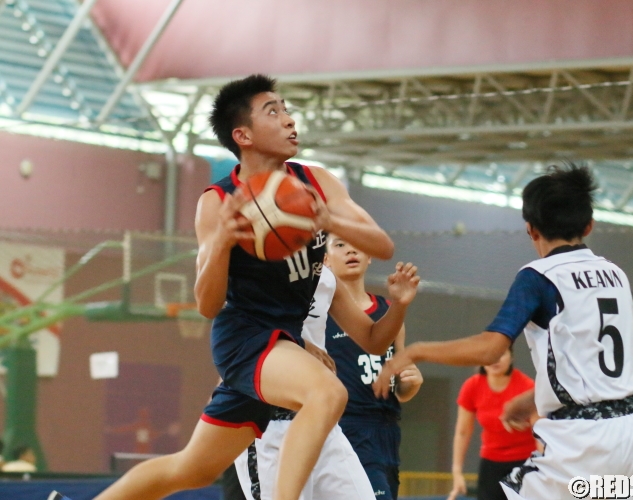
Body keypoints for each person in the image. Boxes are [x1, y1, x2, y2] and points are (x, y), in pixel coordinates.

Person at [51, 74, 419, 500]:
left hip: (286, 344)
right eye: (274, 112)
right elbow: (207, 305)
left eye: (287, 109)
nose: (289, 120)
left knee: (192, 468)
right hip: (247, 340)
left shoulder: (316, 182)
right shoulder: (218, 202)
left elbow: (384, 246)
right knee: (326, 391)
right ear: (241, 135)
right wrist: (223, 243)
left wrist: (326, 220)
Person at [374, 164, 633, 499]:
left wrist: (415, 351)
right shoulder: (615, 274)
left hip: (583, 439)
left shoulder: (539, 276)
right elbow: (591, 359)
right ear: (589, 225)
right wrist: (533, 397)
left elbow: (491, 348)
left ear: (530, 229)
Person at [237, 259, 417, 500]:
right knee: (191, 471)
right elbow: (234, 334)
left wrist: (399, 304)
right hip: (270, 423)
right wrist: (296, 343)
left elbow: (374, 340)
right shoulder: (255, 266)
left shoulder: (324, 277)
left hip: (323, 425)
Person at [324, 235, 423, 500]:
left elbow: (400, 387)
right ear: (325, 260)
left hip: (387, 432)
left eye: (357, 244)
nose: (350, 250)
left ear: (369, 256)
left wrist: (410, 383)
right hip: (345, 429)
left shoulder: (390, 312)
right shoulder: (319, 316)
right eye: (340, 245)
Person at [447, 349, 536, 500]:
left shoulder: (527, 387)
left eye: (502, 354)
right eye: (491, 354)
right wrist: (457, 472)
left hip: (525, 461)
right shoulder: (472, 386)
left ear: (511, 357)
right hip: (491, 462)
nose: (496, 359)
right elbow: (463, 431)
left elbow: (541, 431)